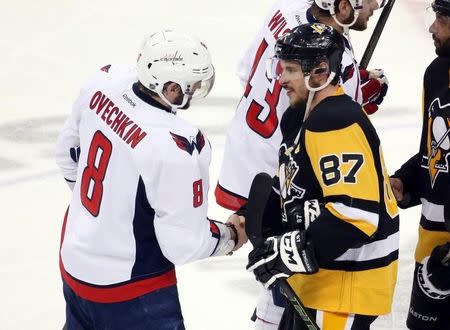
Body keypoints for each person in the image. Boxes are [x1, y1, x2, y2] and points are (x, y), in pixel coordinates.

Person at [55, 29, 247, 330]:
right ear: (170, 87)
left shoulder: (104, 81)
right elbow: (183, 244)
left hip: (75, 261)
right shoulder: (177, 145)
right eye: (191, 84)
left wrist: (105, 215)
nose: (197, 88)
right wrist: (231, 236)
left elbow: (67, 155)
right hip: (131, 288)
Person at [245, 23, 400, 330]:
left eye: (290, 70)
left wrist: (287, 254)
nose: (282, 79)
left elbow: (355, 215)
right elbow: (296, 184)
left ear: (320, 71)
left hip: (345, 292)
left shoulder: (336, 121)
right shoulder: (298, 116)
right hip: (318, 284)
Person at [215, 0, 388, 211]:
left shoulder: (286, 8)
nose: (376, 6)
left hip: (243, 149)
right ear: (343, 7)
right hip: (283, 180)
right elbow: (331, 132)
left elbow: (246, 70)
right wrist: (359, 98)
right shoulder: (340, 62)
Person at [389, 1, 450, 328]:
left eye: (441, 18)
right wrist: (406, 183)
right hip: (433, 244)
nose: (431, 27)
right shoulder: (438, 72)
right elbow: (435, 153)